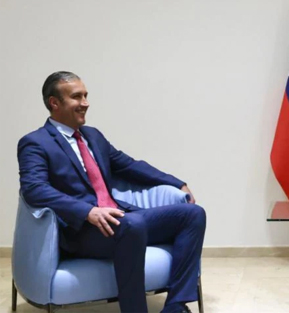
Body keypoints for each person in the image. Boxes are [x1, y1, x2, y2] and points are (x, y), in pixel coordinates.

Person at [17, 71, 206, 313]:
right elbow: (35, 189)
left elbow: (129, 166)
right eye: (77, 97)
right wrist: (88, 211)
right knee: (133, 224)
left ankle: (176, 306)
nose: (85, 102)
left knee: (193, 214)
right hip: (82, 231)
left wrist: (178, 183)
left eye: (85, 95)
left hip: (122, 220)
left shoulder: (93, 136)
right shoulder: (35, 142)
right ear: (55, 103)